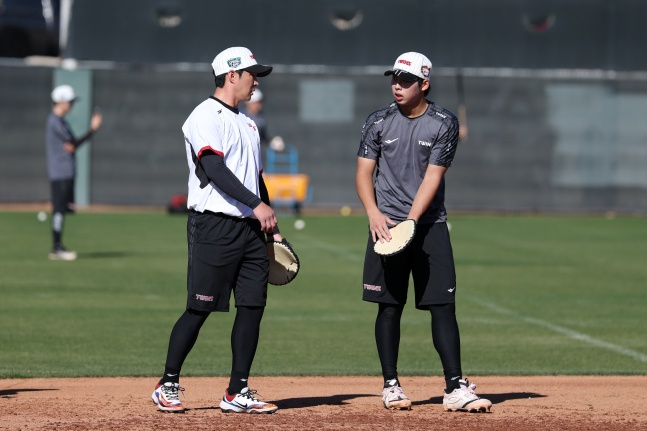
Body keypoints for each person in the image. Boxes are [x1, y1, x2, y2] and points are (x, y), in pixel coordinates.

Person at [355, 52, 492, 412]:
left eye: (405, 80)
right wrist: (373, 213)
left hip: (429, 226)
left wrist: (412, 223)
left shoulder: (443, 122)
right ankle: (391, 385)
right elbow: (362, 173)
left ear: (424, 84)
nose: (397, 86)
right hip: (384, 226)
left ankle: (454, 387)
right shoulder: (378, 121)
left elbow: (433, 176)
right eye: (394, 79)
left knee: (443, 306)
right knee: (389, 307)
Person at [151, 46, 282, 414]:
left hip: (251, 230)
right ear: (232, 75)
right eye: (252, 74)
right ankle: (168, 383)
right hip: (214, 226)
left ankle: (237, 390)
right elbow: (215, 169)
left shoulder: (249, 123)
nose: (256, 80)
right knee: (200, 307)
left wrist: (271, 226)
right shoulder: (204, 115)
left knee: (253, 307)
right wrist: (256, 206)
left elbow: (255, 181)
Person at [45, 84, 102, 261]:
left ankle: (58, 246)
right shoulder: (55, 121)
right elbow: (71, 145)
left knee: (62, 209)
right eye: (69, 102)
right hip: (60, 172)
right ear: (60, 101)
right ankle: (57, 247)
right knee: (59, 210)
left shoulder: (60, 121)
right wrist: (92, 129)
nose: (71, 105)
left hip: (65, 172)